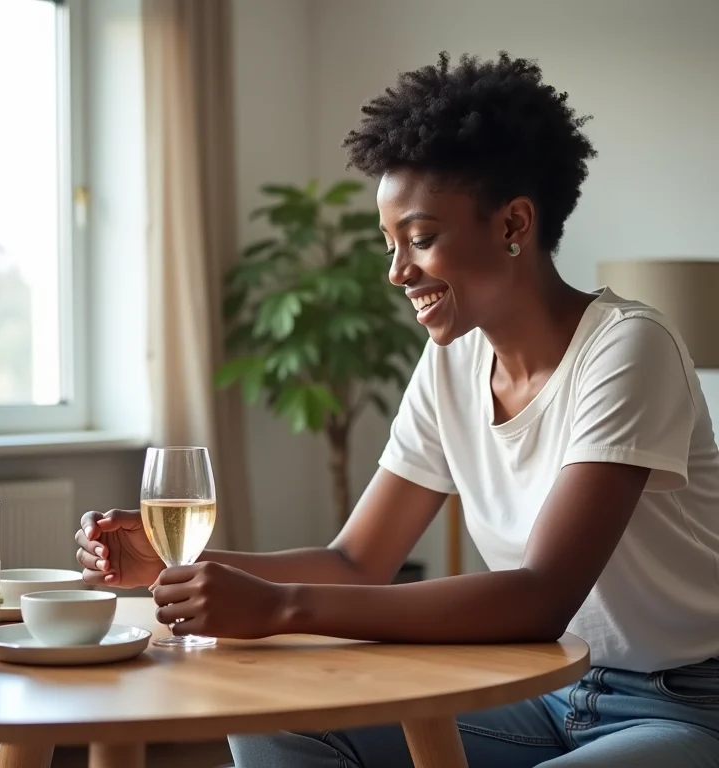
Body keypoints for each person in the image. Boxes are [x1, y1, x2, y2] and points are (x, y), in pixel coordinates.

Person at [75, 51, 719, 767]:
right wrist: (179, 565)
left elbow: (541, 597)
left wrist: (280, 608)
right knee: (274, 720)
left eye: (420, 238)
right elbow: (355, 561)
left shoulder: (629, 349)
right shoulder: (453, 361)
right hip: (542, 688)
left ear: (513, 224)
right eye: (391, 244)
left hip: (681, 704)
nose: (396, 272)